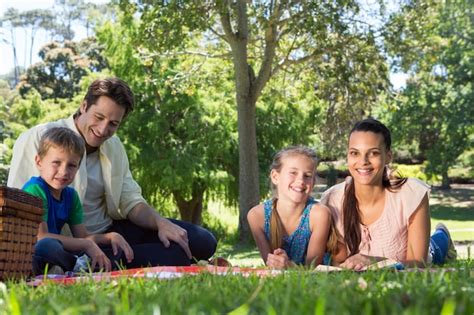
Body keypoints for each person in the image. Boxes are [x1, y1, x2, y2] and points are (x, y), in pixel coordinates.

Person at [8, 78, 217, 268]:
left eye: (113, 124)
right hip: (69, 244)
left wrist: (161, 223)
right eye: (98, 117)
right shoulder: (39, 137)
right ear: (84, 106)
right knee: (175, 256)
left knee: (203, 241)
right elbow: (17, 208)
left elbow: (130, 200)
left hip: (111, 231)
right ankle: (94, 264)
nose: (102, 129)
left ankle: (133, 257)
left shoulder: (114, 146)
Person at [321, 118, 457, 270]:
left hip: (415, 255)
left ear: (388, 156)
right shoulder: (332, 199)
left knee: (433, 251)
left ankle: (443, 236)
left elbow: (417, 263)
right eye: (355, 153)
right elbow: (334, 260)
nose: (363, 161)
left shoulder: (411, 194)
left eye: (373, 153)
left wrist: (373, 261)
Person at [23, 127, 133, 274]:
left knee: (112, 250)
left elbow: (83, 237)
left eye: (71, 165)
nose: (63, 172)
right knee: (47, 246)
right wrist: (86, 245)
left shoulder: (71, 196)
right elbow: (40, 236)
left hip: (57, 252)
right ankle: (74, 266)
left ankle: (65, 267)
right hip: (30, 252)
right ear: (39, 162)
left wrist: (110, 236)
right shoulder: (34, 189)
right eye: (56, 162)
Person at [247, 146, 346, 269]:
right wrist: (277, 262)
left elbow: (312, 268)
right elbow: (270, 266)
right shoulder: (256, 217)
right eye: (293, 173)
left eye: (307, 175)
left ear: (313, 182)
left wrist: (288, 265)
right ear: (275, 176)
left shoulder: (319, 214)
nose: (301, 180)